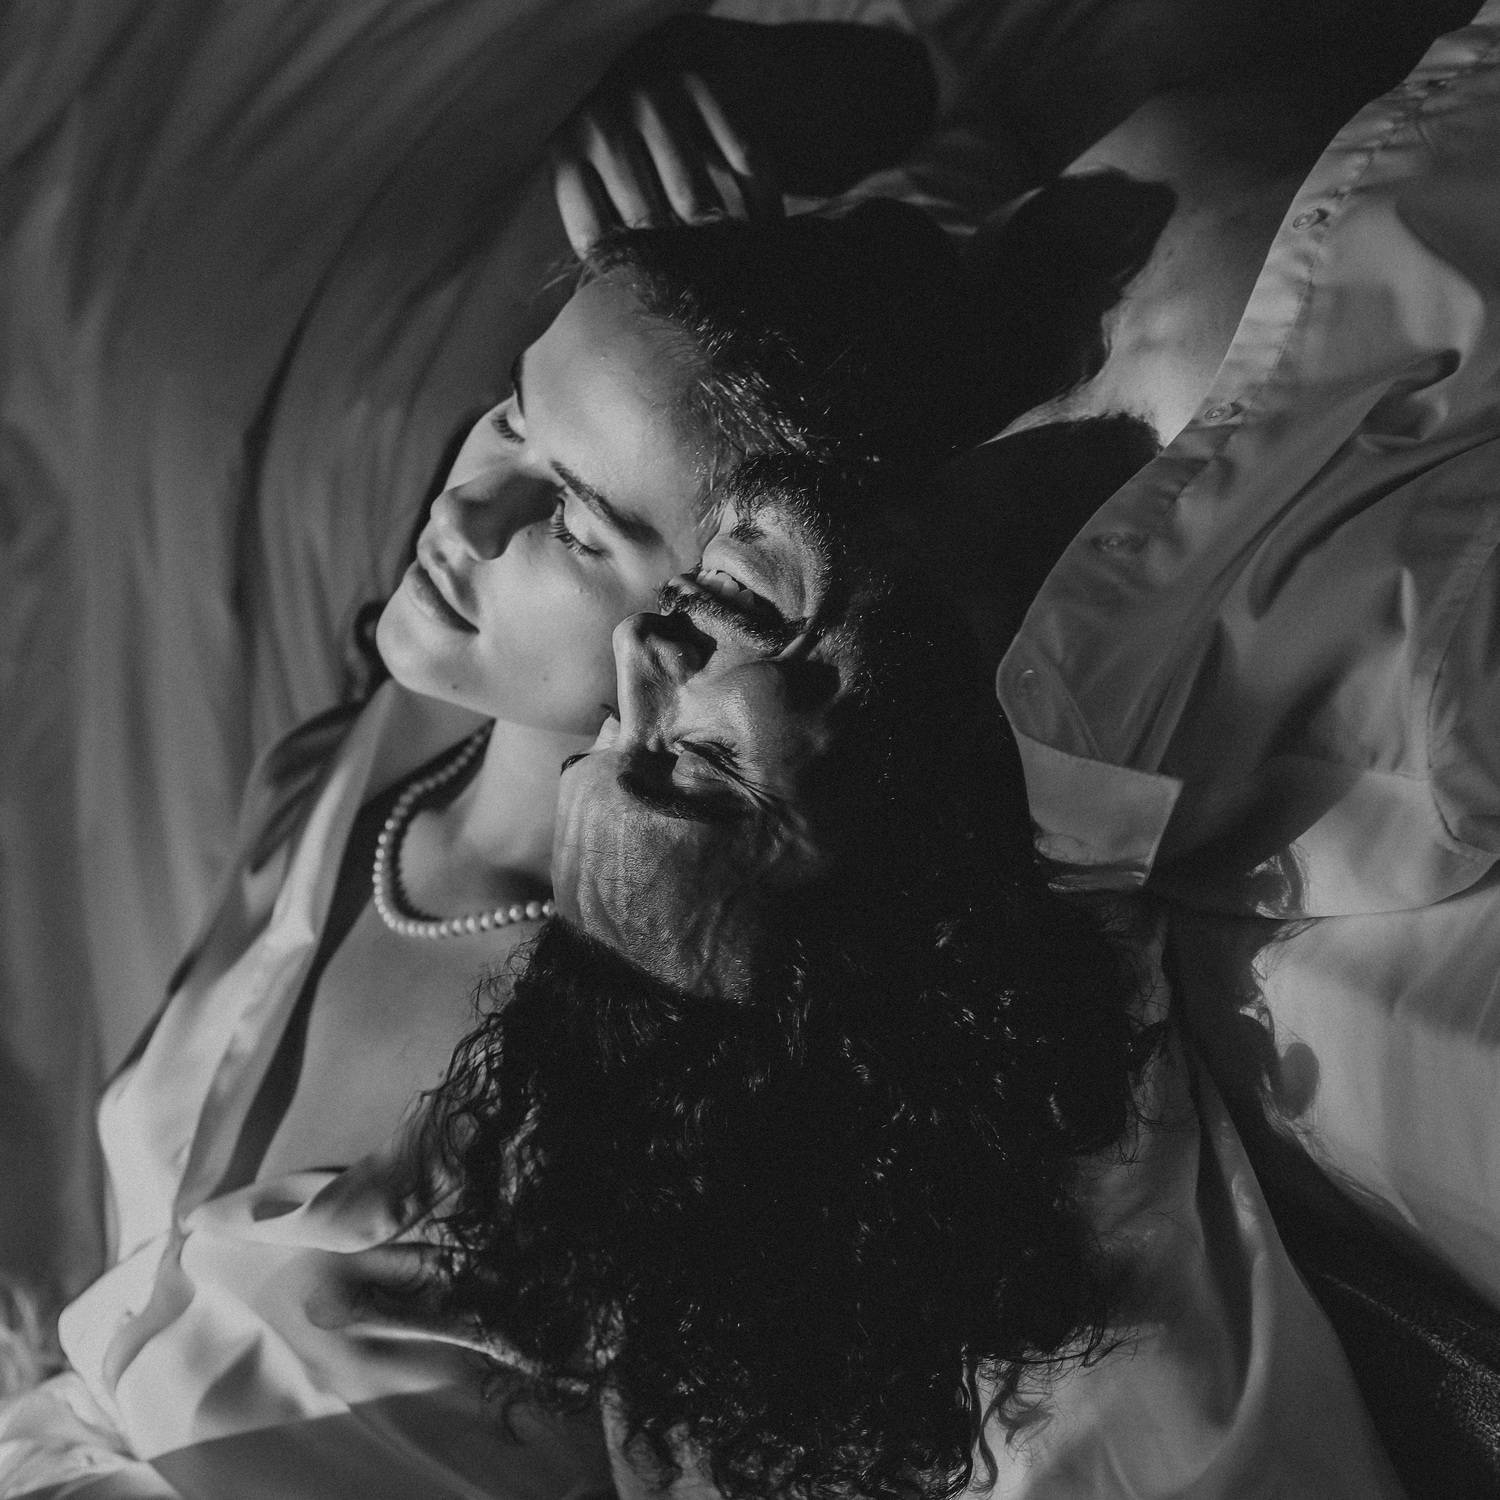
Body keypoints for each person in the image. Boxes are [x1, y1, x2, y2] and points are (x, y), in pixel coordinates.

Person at [0, 204, 990, 1498]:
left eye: (576, 522)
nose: (468, 507)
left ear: (724, 622)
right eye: (512, 416)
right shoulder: (348, 772)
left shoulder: (684, 1064)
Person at [415, 457, 1401, 1499]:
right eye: (694, 766)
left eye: (612, 738)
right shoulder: (1123, 1453)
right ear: (928, 907)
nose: (636, 647)